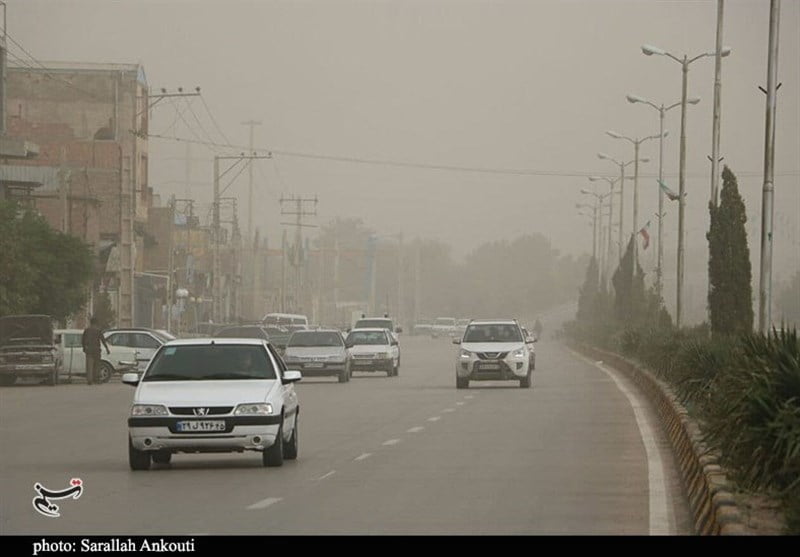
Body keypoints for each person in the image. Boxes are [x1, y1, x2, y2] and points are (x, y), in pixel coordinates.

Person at [82, 316, 110, 385]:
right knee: (97, 365)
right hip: (96, 350)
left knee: (89, 365)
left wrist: (84, 348)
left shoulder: (87, 330)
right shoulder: (98, 330)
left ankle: (89, 380)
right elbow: (103, 340)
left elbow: (83, 340)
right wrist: (107, 349)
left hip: (89, 350)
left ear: (90, 322)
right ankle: (96, 379)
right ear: (96, 323)